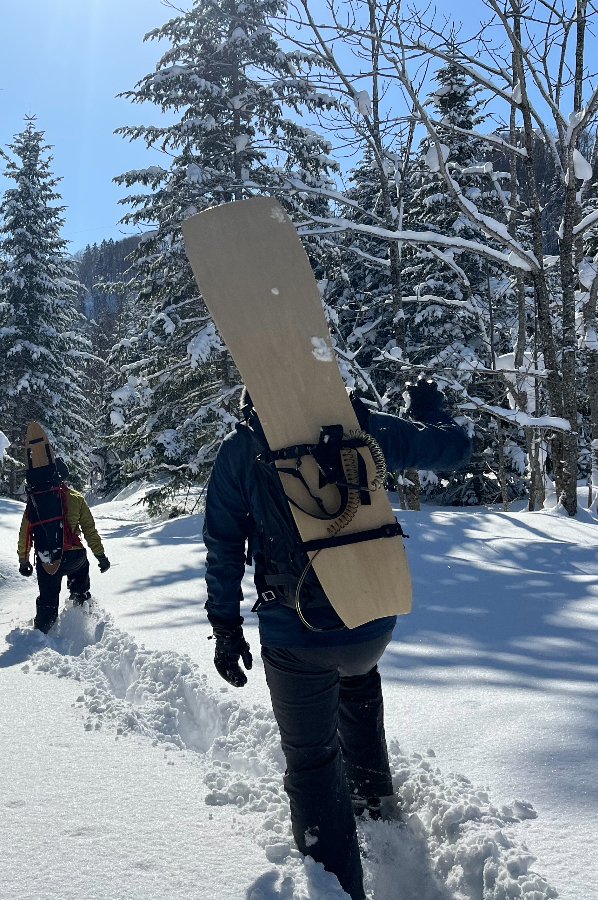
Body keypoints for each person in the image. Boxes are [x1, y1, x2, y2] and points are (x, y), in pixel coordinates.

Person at [202, 380, 471, 900]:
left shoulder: (243, 448)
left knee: (312, 763)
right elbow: (455, 447)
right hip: (371, 623)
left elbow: (223, 545)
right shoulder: (359, 427)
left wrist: (226, 628)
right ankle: (375, 807)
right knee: (357, 680)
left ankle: (338, 888)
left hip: (296, 634)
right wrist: (430, 409)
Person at [18, 458, 111, 632]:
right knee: (80, 589)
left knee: (48, 600)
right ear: (65, 477)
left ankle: (43, 633)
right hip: (74, 559)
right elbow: (90, 531)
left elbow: (26, 533)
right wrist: (101, 557)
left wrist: (23, 561)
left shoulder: (36, 501)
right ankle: (81, 622)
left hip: (48, 558)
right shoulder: (76, 498)